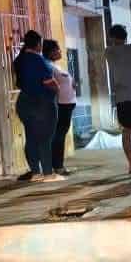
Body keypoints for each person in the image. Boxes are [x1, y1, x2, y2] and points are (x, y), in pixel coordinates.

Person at [12, 30, 59, 182]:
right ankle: (48, 173)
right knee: (45, 138)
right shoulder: (38, 60)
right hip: (41, 102)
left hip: (24, 102)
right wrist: (57, 88)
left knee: (31, 137)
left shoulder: (19, 60)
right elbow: (48, 81)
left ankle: (36, 173)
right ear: (38, 44)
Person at [105, 24, 131, 174]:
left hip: (122, 97)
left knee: (126, 132)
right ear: (125, 37)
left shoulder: (109, 52)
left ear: (112, 38)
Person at [43, 39, 76, 177]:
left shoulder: (55, 66)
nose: (60, 51)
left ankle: (57, 165)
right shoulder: (48, 66)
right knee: (58, 136)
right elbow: (49, 84)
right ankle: (57, 166)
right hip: (61, 105)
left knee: (60, 135)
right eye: (57, 49)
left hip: (66, 104)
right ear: (50, 52)